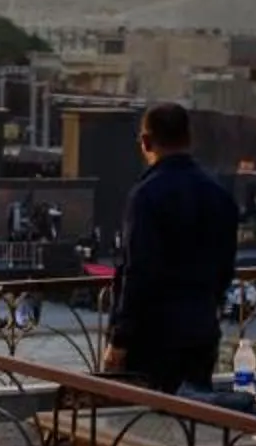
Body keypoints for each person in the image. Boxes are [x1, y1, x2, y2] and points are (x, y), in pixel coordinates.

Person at [102, 102, 241, 394]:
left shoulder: (147, 195)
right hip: (201, 332)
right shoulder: (218, 194)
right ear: (189, 139)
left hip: (152, 338)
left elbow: (139, 272)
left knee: (143, 427)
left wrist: (119, 340)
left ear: (147, 142)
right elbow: (225, 269)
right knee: (193, 419)